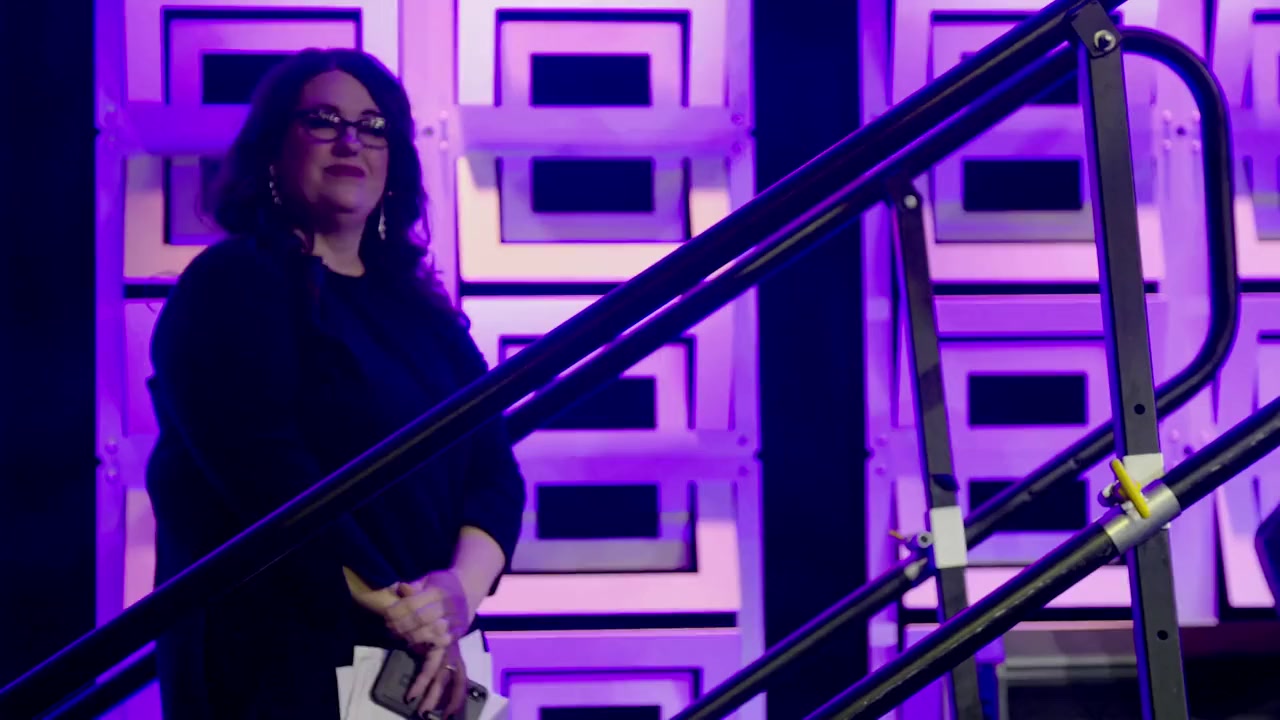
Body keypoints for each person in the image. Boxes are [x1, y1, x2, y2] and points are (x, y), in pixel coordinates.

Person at [144, 48, 526, 719]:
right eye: (323, 121)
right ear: (272, 150)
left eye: (374, 127)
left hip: (429, 652)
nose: (351, 141)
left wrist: (457, 595)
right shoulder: (232, 283)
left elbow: (493, 472)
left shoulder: (424, 312)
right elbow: (264, 472)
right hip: (288, 650)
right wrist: (404, 612)